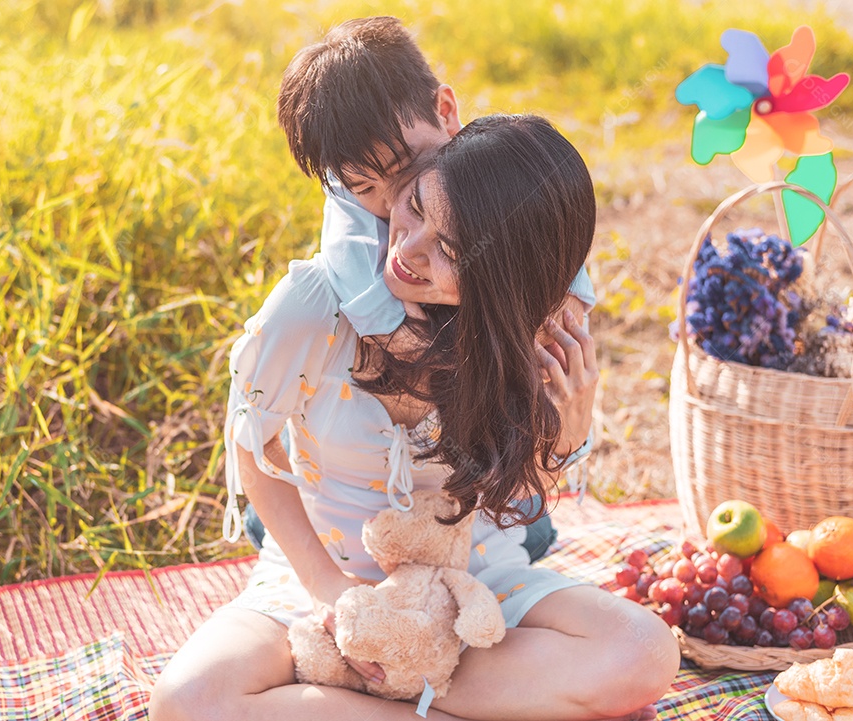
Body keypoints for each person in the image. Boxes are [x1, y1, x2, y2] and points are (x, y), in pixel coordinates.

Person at [149, 114, 679, 721]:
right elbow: (251, 447)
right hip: (324, 577)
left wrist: (569, 430)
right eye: (417, 206)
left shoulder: (529, 341)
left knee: (643, 652)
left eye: (448, 251)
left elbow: (521, 500)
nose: (406, 251)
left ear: (502, 279)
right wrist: (330, 591)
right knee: (186, 702)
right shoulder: (316, 302)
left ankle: (371, 698)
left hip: (473, 583)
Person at [240, 16, 597, 561]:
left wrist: (566, 292)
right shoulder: (351, 233)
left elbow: (541, 230)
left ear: (447, 112)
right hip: (335, 503)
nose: (389, 199)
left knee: (522, 518)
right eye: (363, 186)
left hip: (471, 516)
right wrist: (399, 336)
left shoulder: (490, 171)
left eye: (406, 169)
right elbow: (353, 266)